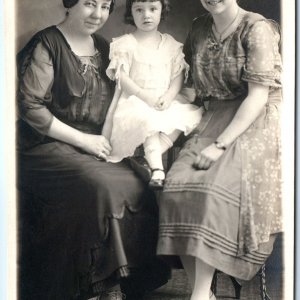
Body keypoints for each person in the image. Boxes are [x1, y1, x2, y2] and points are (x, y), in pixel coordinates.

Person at [17, 0, 170, 299]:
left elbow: (120, 101)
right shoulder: (47, 44)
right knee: (104, 186)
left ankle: (122, 281)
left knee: (136, 178)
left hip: (95, 144)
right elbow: (30, 107)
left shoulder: (103, 46)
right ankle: (97, 282)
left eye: (104, 6)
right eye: (89, 3)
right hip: (42, 146)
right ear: (70, 4)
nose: (97, 14)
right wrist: (84, 140)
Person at [157, 0, 282, 299]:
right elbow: (192, 88)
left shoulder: (256, 28)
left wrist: (219, 145)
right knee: (176, 189)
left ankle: (199, 295)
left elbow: (258, 97)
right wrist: (159, 114)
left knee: (210, 190)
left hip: (255, 120)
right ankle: (204, 294)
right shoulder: (199, 28)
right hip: (212, 116)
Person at [102, 0, 203, 189]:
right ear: (131, 13)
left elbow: (177, 76)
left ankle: (148, 158)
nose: (146, 15)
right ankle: (157, 169)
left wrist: (169, 96)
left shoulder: (171, 45)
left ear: (162, 10)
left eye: (152, 9)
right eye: (139, 10)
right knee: (148, 120)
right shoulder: (125, 44)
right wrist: (144, 96)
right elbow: (121, 77)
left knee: (189, 115)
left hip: (163, 100)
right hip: (135, 101)